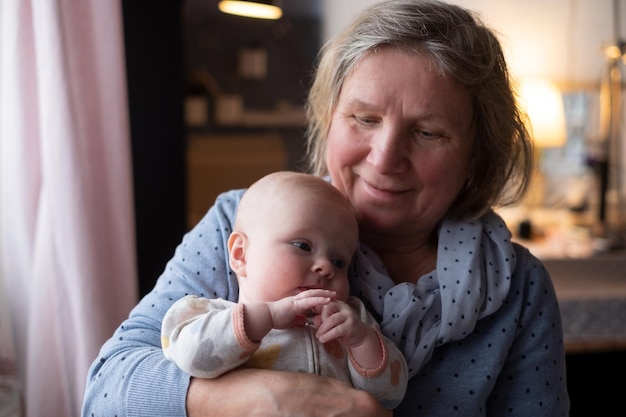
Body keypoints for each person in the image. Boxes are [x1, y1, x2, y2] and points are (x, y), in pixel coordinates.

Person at [82, 0, 570, 416]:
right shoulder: (243, 223)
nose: (384, 158)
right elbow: (105, 392)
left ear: (476, 154)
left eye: (427, 132)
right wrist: (263, 398)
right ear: (328, 118)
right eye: (363, 118)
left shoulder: (517, 288)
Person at [160, 171, 408, 410]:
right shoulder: (211, 315)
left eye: (339, 262)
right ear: (240, 254)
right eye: (303, 246)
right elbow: (191, 360)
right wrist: (262, 318)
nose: (325, 267)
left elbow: (391, 396)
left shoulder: (349, 323)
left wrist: (361, 340)